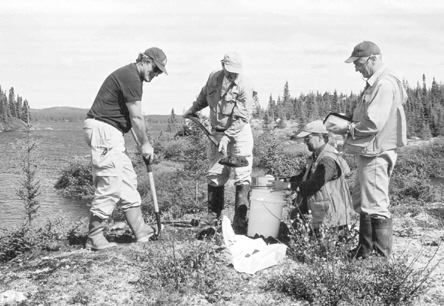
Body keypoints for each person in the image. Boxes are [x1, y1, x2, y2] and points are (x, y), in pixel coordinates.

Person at [328, 41, 407, 258]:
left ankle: (379, 258)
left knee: (375, 205)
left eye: (359, 62)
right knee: (364, 201)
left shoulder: (384, 84)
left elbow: (373, 123)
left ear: (373, 59)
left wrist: (347, 127)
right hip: (372, 150)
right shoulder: (379, 82)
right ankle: (365, 251)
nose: (356, 68)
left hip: (377, 152)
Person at [83, 47, 167, 250]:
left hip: (112, 133)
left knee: (127, 181)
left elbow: (131, 118)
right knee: (110, 183)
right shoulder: (131, 77)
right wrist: (145, 144)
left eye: (158, 72)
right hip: (104, 131)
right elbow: (136, 116)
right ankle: (94, 236)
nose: (155, 75)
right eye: (155, 69)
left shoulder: (132, 77)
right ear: (145, 61)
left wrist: (141, 144)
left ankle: (141, 230)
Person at [183, 52, 254, 234]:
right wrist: (193, 110)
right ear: (223, 66)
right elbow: (204, 96)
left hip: (239, 132)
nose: (232, 75)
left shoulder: (245, 85)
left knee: (242, 173)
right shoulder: (213, 78)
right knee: (215, 174)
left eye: (235, 72)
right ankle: (212, 220)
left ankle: (240, 221)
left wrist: (228, 136)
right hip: (217, 132)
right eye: (229, 71)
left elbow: (242, 117)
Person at [273, 120, 353, 235]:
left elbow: (314, 185)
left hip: (333, 220)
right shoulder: (316, 157)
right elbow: (303, 178)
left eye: (308, 138)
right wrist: (283, 180)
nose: (305, 142)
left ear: (320, 137)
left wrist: (287, 185)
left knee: (325, 249)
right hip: (321, 214)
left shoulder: (328, 160)